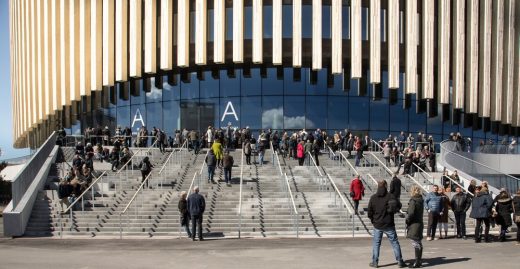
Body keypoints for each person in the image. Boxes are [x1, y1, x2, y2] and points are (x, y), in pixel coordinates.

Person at [367, 180, 407, 268]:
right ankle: (400, 261)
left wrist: (373, 220)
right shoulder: (390, 196)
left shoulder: (373, 197)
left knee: (376, 244)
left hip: (377, 224)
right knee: (394, 243)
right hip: (389, 224)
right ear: (386, 186)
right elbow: (399, 205)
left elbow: (369, 212)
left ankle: (375, 262)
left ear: (378, 186)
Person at [406, 185, 424, 268]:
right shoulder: (421, 200)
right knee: (418, 242)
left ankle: (417, 262)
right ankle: (419, 260)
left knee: (415, 242)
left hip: (414, 223)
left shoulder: (413, 200)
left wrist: (408, 220)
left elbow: (411, 213)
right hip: (419, 222)